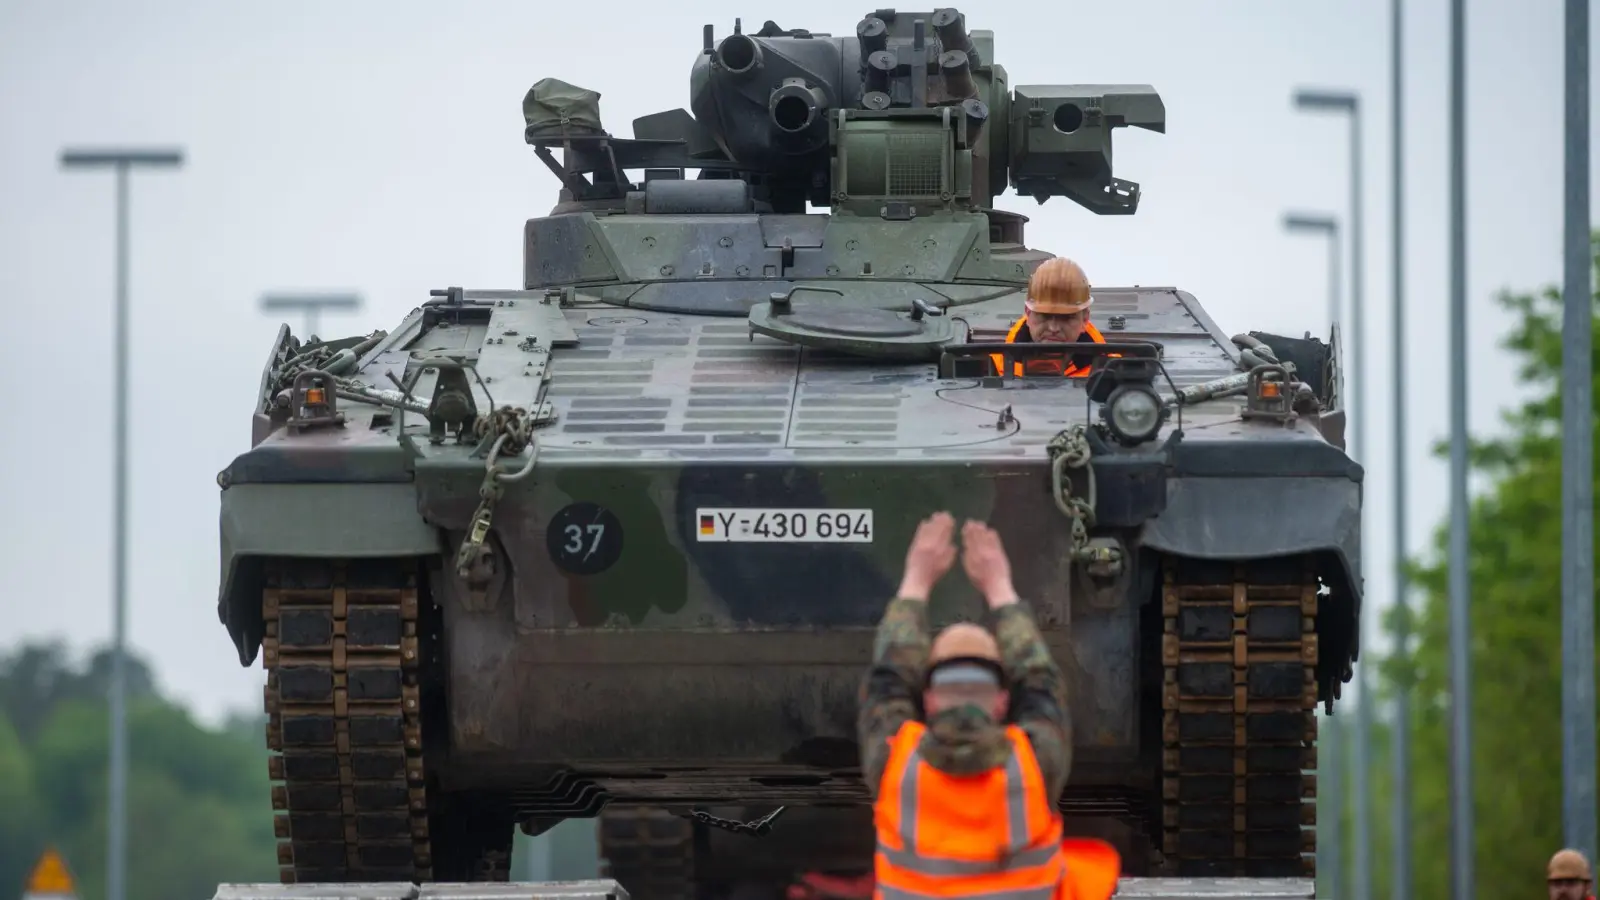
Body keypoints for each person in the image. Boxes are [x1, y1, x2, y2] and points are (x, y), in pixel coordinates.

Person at [857, 511, 1119, 900]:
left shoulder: (896, 765)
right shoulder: (1032, 766)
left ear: (927, 702)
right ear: (1001, 702)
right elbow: (1040, 684)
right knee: (1091, 869)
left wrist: (916, 580)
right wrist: (1000, 588)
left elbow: (888, 679)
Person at [989, 256, 1112, 378]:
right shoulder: (993, 368)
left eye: (1066, 318)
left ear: (1084, 319)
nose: (1053, 328)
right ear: (1028, 313)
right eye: (1044, 316)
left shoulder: (1110, 374)